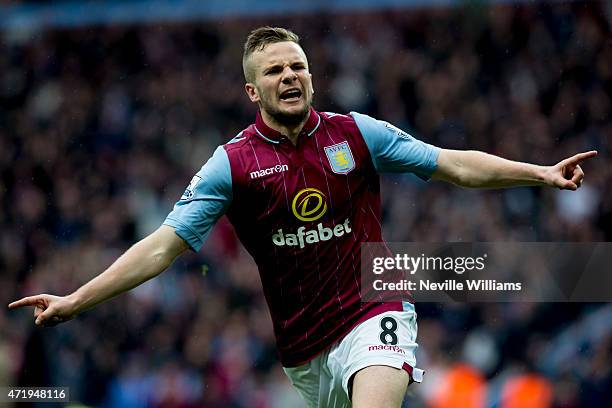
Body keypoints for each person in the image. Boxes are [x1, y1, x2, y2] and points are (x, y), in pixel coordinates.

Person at [9, 27, 596, 408]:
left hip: (375, 307)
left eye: (298, 67)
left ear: (312, 76)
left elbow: (451, 165)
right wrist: (75, 300)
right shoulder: (231, 166)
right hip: (302, 348)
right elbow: (163, 246)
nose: (290, 76)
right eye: (274, 71)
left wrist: (538, 173)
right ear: (252, 91)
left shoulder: (357, 134)